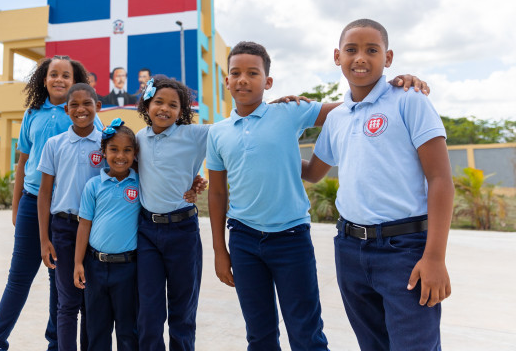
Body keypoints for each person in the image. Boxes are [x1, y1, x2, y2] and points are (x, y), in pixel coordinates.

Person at [206, 40, 430, 351]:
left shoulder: (288, 112)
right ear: (226, 80)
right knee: (258, 334)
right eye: (236, 73)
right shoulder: (217, 132)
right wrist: (220, 250)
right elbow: (217, 193)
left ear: (268, 82)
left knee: (306, 333)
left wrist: (394, 88)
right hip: (243, 240)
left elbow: (353, 104)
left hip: (291, 238)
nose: (243, 79)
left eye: (253, 73)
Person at [301, 19, 453, 351]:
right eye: (351, 50)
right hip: (350, 250)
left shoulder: (409, 100)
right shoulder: (337, 117)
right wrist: (272, 144)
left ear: (388, 57)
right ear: (337, 56)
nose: (360, 58)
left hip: (405, 250)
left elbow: (440, 179)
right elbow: (312, 172)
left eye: (372, 50)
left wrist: (435, 257)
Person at [0, 55, 98, 351]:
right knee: (18, 279)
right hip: (32, 203)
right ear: (44, 80)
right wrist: (16, 206)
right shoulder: (32, 113)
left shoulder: (83, 112)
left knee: (59, 284)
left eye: (66, 75)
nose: (59, 80)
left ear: (75, 81)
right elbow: (23, 162)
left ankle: (55, 345)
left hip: (63, 211)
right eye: (53, 74)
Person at [135, 75, 208, 351]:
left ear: (182, 111)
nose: (164, 108)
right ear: (147, 105)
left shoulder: (193, 135)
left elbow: (232, 129)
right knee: (148, 310)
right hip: (147, 233)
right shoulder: (138, 139)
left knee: (183, 309)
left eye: (173, 105)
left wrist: (272, 106)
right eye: (158, 102)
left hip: (183, 232)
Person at [37, 83, 104, 351]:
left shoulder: (107, 143)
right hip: (63, 229)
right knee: (67, 304)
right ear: (66, 110)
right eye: (74, 105)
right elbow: (44, 193)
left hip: (97, 231)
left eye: (87, 103)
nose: (80, 109)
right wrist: (44, 239)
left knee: (92, 303)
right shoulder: (54, 144)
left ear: (98, 107)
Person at [73, 120, 140, 351]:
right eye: (114, 149)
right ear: (103, 152)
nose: (120, 156)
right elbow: (84, 225)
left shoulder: (141, 183)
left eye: (127, 150)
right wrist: (78, 263)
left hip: (128, 269)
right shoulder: (93, 186)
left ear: (135, 153)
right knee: (97, 330)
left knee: (128, 331)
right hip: (95, 267)